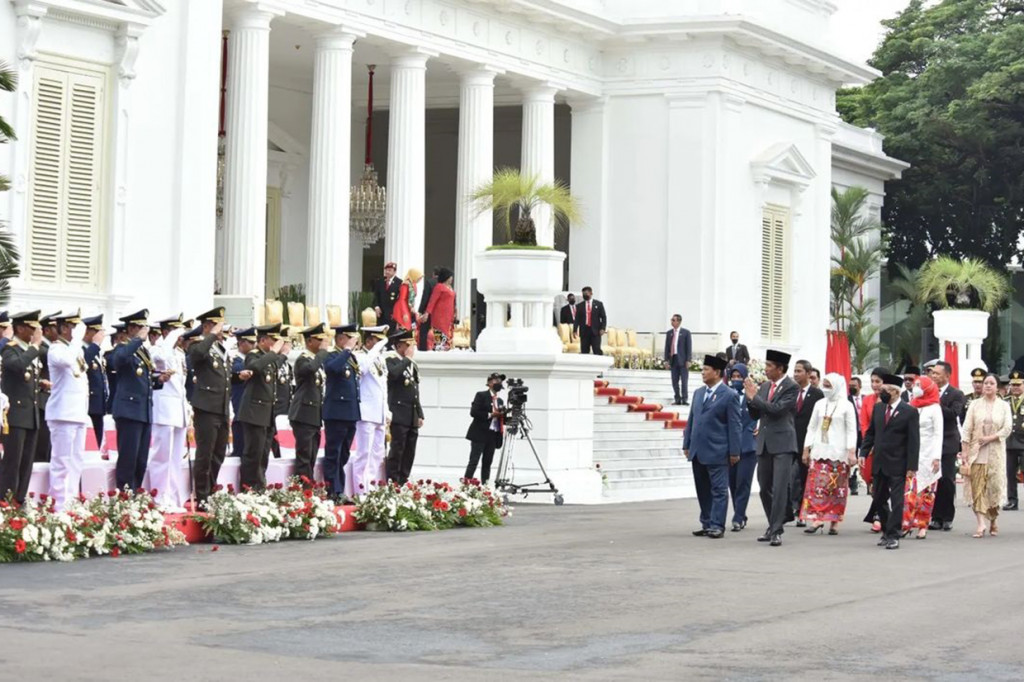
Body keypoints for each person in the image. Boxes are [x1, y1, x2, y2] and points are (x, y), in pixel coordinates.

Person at [744, 349, 799, 547]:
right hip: (764, 442)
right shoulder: (765, 386)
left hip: (783, 443)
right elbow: (756, 414)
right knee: (764, 487)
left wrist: (754, 398)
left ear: (780, 368)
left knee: (779, 487)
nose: (766, 369)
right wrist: (750, 399)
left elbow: (777, 410)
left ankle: (776, 530)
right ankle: (773, 523)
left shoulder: (792, 387)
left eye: (769, 366)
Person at [859, 373, 920, 550]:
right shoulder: (879, 409)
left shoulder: (909, 412)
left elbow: (914, 441)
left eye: (886, 390)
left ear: (895, 392)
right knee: (878, 498)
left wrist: (911, 466)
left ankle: (894, 535)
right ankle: (886, 529)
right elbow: (871, 433)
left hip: (898, 463)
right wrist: (863, 452)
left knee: (897, 500)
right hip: (879, 461)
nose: (882, 392)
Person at [684, 355, 741, 539]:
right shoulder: (699, 393)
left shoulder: (729, 395)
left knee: (719, 490)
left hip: (718, 450)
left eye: (706, 369)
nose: (703, 372)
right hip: (698, 450)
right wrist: (687, 443)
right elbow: (692, 420)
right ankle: (706, 522)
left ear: (717, 373)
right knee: (702, 489)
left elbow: (735, 425)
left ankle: (717, 525)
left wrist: (734, 451)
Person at [111, 309, 169, 491]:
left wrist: (158, 380)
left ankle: (136, 492)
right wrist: (137, 340)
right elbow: (119, 360)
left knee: (141, 459)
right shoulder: (123, 348)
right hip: (129, 411)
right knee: (128, 457)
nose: (144, 331)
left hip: (143, 411)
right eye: (140, 327)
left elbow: (142, 378)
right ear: (131, 329)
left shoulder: (142, 352)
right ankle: (125, 495)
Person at [799, 372, 858, 535]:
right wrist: (806, 448)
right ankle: (817, 518)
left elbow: (852, 430)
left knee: (836, 488)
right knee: (818, 487)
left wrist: (852, 451)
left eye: (828, 386)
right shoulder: (819, 404)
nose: (825, 389)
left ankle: (834, 520)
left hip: (839, 452)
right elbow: (811, 427)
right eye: (824, 385)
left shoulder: (847, 406)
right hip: (819, 451)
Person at [45, 311, 90, 510]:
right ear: (64, 328)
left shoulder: (74, 349)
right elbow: (67, 362)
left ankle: (70, 500)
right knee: (61, 461)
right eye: (74, 327)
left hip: (78, 412)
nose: (77, 332)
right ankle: (58, 504)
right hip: (62, 413)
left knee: (76, 461)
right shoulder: (56, 349)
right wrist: (78, 338)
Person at [188, 308, 231, 505]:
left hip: (221, 407)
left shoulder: (220, 349)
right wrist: (211, 335)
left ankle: (211, 491)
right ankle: (202, 496)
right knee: (205, 454)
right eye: (217, 325)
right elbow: (196, 356)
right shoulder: (199, 345)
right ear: (206, 326)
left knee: (218, 453)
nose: (221, 330)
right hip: (206, 407)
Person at [0, 311, 44, 504]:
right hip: (15, 416)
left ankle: (19, 499)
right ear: (20, 328)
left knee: (27, 463)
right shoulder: (11, 349)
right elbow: (17, 366)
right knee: (13, 462)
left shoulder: (28, 351)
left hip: (30, 415)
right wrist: (34, 347)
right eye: (33, 328)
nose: (36, 332)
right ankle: (6, 501)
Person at [961, 373, 1012, 537]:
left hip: (995, 451)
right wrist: (965, 451)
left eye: (991, 383)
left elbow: (1007, 428)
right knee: (978, 488)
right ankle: (980, 523)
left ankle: (993, 519)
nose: (988, 386)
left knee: (994, 487)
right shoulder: (974, 405)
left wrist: (990, 438)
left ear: (997, 387)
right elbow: (967, 429)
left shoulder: (1004, 406)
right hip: (977, 452)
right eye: (986, 383)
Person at [237, 324, 286, 491]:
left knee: (263, 454)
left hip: (267, 413)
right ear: (263, 340)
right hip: (254, 412)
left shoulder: (268, 358)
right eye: (273, 339)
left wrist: (283, 354)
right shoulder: (254, 355)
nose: (276, 343)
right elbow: (254, 368)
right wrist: (273, 353)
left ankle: (260, 486)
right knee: (253, 454)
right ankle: (249, 487)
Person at [149, 322, 189, 510]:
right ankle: (159, 497)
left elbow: (181, 384)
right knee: (161, 456)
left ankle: (173, 496)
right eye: (175, 332)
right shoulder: (157, 349)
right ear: (165, 332)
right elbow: (160, 359)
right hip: (164, 409)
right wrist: (170, 337)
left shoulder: (179, 354)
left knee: (175, 458)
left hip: (178, 410)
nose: (180, 337)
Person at [322, 324, 361, 500]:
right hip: (336, 412)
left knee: (344, 453)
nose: (354, 342)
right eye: (350, 338)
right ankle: (332, 489)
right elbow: (332, 369)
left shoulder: (350, 358)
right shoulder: (333, 355)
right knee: (334, 452)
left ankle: (340, 488)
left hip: (350, 412)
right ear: (340, 339)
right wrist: (346, 350)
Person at [901, 375, 943, 539]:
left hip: (929, 452)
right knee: (909, 491)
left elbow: (938, 434)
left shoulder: (935, 408)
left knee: (927, 492)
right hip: (912, 453)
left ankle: (922, 525)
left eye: (919, 385)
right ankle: (906, 523)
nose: (916, 387)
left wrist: (936, 457)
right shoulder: (911, 406)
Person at [928, 360, 966, 531]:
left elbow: (953, 414)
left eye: (936, 373)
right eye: (932, 373)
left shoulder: (956, 394)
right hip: (930, 442)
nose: (933, 376)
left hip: (948, 442)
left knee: (947, 480)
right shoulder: (927, 392)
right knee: (933, 479)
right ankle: (935, 516)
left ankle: (947, 516)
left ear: (947, 375)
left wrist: (936, 401)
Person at [289, 323, 329, 482]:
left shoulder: (316, 361)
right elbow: (309, 369)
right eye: (319, 340)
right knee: (304, 454)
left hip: (314, 414)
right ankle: (303, 486)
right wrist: (323, 353)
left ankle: (308, 484)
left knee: (312, 454)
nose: (323, 344)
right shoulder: (303, 359)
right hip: (303, 413)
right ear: (310, 341)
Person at [352, 324, 389, 495]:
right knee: (364, 454)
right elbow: (363, 368)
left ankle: (371, 487)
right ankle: (361, 490)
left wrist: (386, 410)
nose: (381, 345)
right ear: (368, 341)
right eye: (377, 341)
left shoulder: (380, 359)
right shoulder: (359, 356)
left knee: (377, 454)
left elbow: (383, 386)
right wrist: (376, 349)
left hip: (379, 412)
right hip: (366, 412)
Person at [385, 329, 423, 484]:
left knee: (409, 451)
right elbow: (393, 375)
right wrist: (406, 359)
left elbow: (415, 390)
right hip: (399, 413)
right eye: (408, 345)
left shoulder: (410, 365)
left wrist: (419, 413)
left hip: (411, 414)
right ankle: (393, 480)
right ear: (399, 346)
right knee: (397, 449)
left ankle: (403, 479)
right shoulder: (391, 359)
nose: (411, 348)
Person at [789, 359, 824, 527]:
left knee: (804, 478)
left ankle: (802, 511)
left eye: (799, 371)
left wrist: (811, 446)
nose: (796, 374)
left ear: (809, 374)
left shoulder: (817, 395)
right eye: (794, 371)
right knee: (787, 477)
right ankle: (787, 509)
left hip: (807, 443)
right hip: (788, 441)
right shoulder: (789, 391)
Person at [727, 364, 757, 532]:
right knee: (732, 483)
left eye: (739, 376)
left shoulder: (752, 395)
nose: (736, 379)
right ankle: (740, 513)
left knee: (743, 482)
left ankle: (738, 517)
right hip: (731, 446)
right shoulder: (727, 395)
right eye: (734, 376)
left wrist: (757, 426)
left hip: (748, 445)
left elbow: (759, 413)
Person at [465, 373, 505, 483]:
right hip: (479, 434)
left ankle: (485, 487)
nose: (498, 383)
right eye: (495, 381)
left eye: (500, 381)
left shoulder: (500, 401)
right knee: (474, 461)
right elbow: (474, 412)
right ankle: (466, 484)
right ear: (489, 383)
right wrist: (491, 414)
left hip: (492, 434)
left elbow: (501, 419)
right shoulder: (481, 395)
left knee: (487, 463)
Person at [34, 311, 59, 463]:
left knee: (50, 448)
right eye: (57, 327)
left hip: (51, 402)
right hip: (42, 401)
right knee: (42, 447)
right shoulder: (43, 349)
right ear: (47, 330)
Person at [81, 315, 108, 451]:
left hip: (98, 404)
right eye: (96, 332)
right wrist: (95, 345)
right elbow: (82, 363)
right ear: (87, 332)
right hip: (88, 403)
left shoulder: (96, 352)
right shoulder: (82, 349)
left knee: (97, 441)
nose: (100, 336)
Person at [230, 328, 255, 457]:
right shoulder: (235, 361)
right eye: (251, 343)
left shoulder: (250, 359)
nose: (254, 346)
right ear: (242, 343)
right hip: (240, 401)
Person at [269, 332, 293, 459]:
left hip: (285, 406)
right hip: (274, 405)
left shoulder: (286, 364)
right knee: (272, 438)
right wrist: (282, 354)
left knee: (282, 441)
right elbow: (273, 369)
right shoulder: (274, 361)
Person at [1004, 369, 1024, 511]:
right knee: (1010, 474)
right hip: (1009, 442)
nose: (1016, 388)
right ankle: (1012, 500)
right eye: (1013, 385)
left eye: (1019, 385)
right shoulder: (1004, 402)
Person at [423, 267, 456, 351]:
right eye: (450, 276)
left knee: (447, 332)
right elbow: (432, 301)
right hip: (439, 316)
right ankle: (439, 349)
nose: (451, 278)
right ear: (446, 277)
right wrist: (427, 313)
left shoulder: (450, 287)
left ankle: (444, 348)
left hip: (448, 315)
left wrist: (455, 312)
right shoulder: (439, 287)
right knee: (440, 333)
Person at [664, 314, 692, 406]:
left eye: (673, 320)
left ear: (678, 322)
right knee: (674, 381)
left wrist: (688, 360)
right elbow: (667, 348)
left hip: (683, 360)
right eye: (671, 320)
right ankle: (677, 398)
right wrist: (666, 360)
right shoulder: (669, 333)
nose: (671, 321)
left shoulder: (686, 332)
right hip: (673, 359)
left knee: (684, 381)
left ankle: (684, 399)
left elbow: (689, 347)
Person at [574, 286, 607, 356]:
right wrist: (575, 330)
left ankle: (599, 365)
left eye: (586, 293)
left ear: (591, 293)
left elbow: (603, 317)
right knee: (584, 351)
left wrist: (603, 328)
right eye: (583, 294)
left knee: (597, 350)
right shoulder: (579, 306)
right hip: (584, 331)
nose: (585, 295)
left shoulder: (598, 304)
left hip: (595, 331)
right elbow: (577, 319)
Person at [372, 261, 402, 330]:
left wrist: (396, 314)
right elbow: (376, 296)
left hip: (392, 315)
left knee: (391, 336)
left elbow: (400, 300)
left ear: (394, 272)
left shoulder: (399, 283)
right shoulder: (380, 281)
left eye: (390, 270)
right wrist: (376, 307)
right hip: (381, 314)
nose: (387, 272)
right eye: (386, 270)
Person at [392, 268, 423, 333]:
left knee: (411, 328)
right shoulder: (405, 285)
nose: (420, 279)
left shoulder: (413, 284)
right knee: (405, 328)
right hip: (401, 308)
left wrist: (412, 307)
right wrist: (404, 313)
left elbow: (412, 299)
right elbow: (402, 300)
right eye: (419, 277)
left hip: (408, 308)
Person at [417, 267, 440, 351]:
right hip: (439, 311)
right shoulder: (443, 284)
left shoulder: (429, 282)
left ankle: (422, 349)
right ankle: (438, 348)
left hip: (428, 310)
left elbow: (425, 297)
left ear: (433, 274)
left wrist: (420, 310)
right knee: (438, 330)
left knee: (424, 330)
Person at [848, 376, 864, 495]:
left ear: (860, 386)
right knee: (852, 460)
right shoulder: (846, 400)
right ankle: (853, 484)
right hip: (853, 432)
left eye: (854, 386)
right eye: (850, 386)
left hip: (864, 433)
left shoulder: (866, 399)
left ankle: (869, 482)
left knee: (865, 457)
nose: (851, 388)